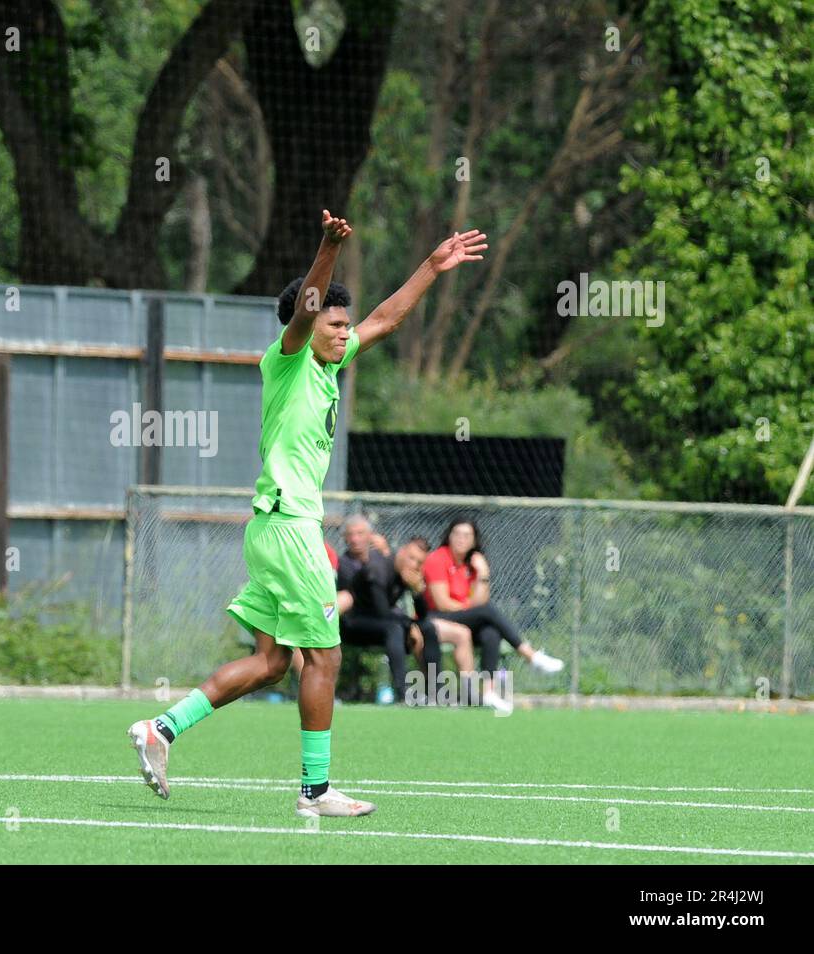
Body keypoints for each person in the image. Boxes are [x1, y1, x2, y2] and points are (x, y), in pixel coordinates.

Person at [128, 211, 488, 816]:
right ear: (310, 324)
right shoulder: (288, 358)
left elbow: (387, 318)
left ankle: (159, 730)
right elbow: (306, 308)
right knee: (325, 656)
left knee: (273, 663)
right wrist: (328, 246)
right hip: (290, 530)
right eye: (336, 324)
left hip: (272, 530)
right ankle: (315, 792)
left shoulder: (331, 365)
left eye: (347, 325)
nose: (347, 332)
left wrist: (431, 265)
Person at [421, 516, 565, 713]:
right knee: (488, 612)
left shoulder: (471, 564)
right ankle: (530, 655)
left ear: (474, 540)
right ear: (449, 536)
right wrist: (472, 608)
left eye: (467, 535)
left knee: (491, 632)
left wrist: (483, 573)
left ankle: (488, 691)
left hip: (464, 618)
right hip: (438, 617)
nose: (461, 539)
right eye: (457, 534)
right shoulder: (437, 558)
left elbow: (480, 601)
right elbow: (443, 603)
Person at [335, 518, 466, 705]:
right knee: (395, 628)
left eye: (420, 562)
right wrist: (408, 625)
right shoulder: (377, 569)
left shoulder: (406, 573)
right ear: (402, 552)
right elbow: (381, 612)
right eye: (412, 558)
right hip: (354, 623)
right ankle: (404, 693)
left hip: (384, 623)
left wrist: (417, 590)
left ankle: (438, 691)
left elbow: (423, 616)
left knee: (428, 628)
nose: (414, 565)